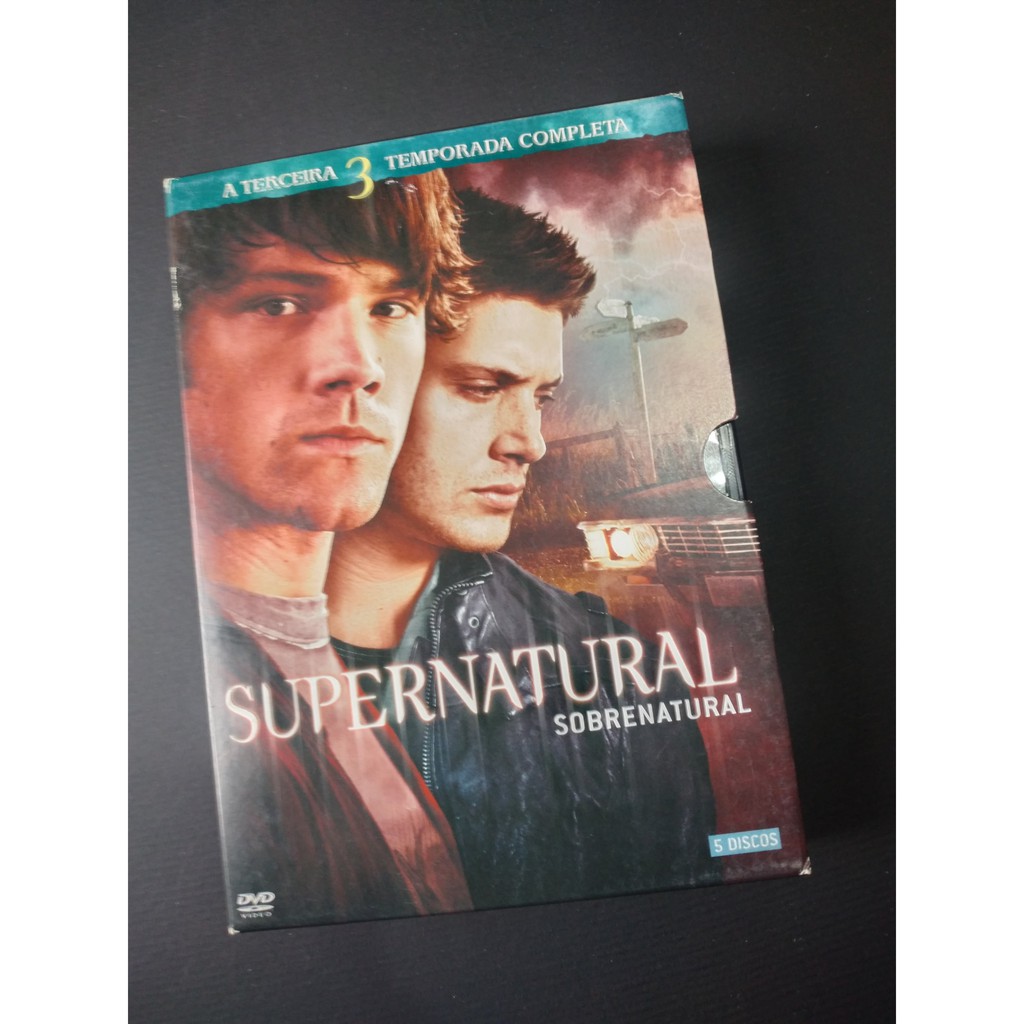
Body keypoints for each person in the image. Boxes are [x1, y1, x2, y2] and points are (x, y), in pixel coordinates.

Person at [327, 189, 719, 908]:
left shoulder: (615, 672)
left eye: (541, 398)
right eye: (483, 388)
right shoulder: (225, 664)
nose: (529, 443)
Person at [171, 176, 474, 927]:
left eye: (391, 308)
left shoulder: (322, 653)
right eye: (279, 303)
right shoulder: (174, 693)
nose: (360, 367)